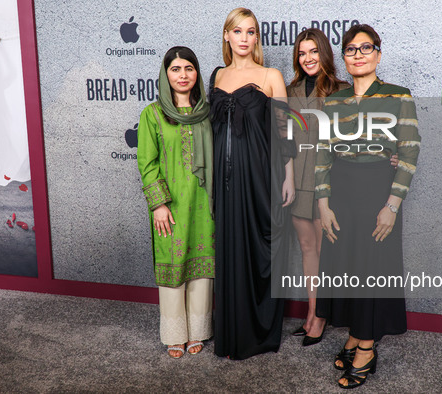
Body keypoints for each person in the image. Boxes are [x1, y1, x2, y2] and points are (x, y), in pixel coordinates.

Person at [315, 24, 420, 388]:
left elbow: (408, 153)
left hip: (378, 191)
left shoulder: (397, 96)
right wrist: (323, 204)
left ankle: (366, 348)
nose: (358, 54)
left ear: (378, 53)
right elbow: (322, 156)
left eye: (366, 48)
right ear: (343, 58)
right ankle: (355, 333)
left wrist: (392, 205)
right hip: (340, 192)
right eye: (350, 49)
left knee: (372, 266)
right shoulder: (332, 101)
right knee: (345, 264)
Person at [287, 28, 398, 347]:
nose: (308, 58)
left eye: (314, 52)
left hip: (330, 184)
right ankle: (310, 312)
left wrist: (390, 155)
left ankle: (321, 316)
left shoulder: (343, 90)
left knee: (326, 254)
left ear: (326, 54)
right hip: (297, 179)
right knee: (307, 250)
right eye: (302, 52)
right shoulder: (289, 89)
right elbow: (283, 139)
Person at [209, 7, 295, 360]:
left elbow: (284, 130)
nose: (244, 38)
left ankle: (257, 334)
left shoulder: (271, 75)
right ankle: (231, 333)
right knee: (229, 249)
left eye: (251, 32)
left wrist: (288, 175)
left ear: (257, 38)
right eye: (237, 31)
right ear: (227, 36)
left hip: (260, 174)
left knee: (261, 248)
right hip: (224, 179)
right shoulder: (215, 76)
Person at [137, 46, 214, 359]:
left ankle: (198, 331)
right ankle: (174, 334)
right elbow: (146, 160)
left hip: (204, 202)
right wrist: (158, 204)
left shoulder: (207, 111)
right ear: (165, 74)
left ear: (196, 74)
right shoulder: (153, 114)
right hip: (171, 204)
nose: (183, 75)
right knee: (173, 264)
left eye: (189, 69)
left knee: (203, 265)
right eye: (176, 69)